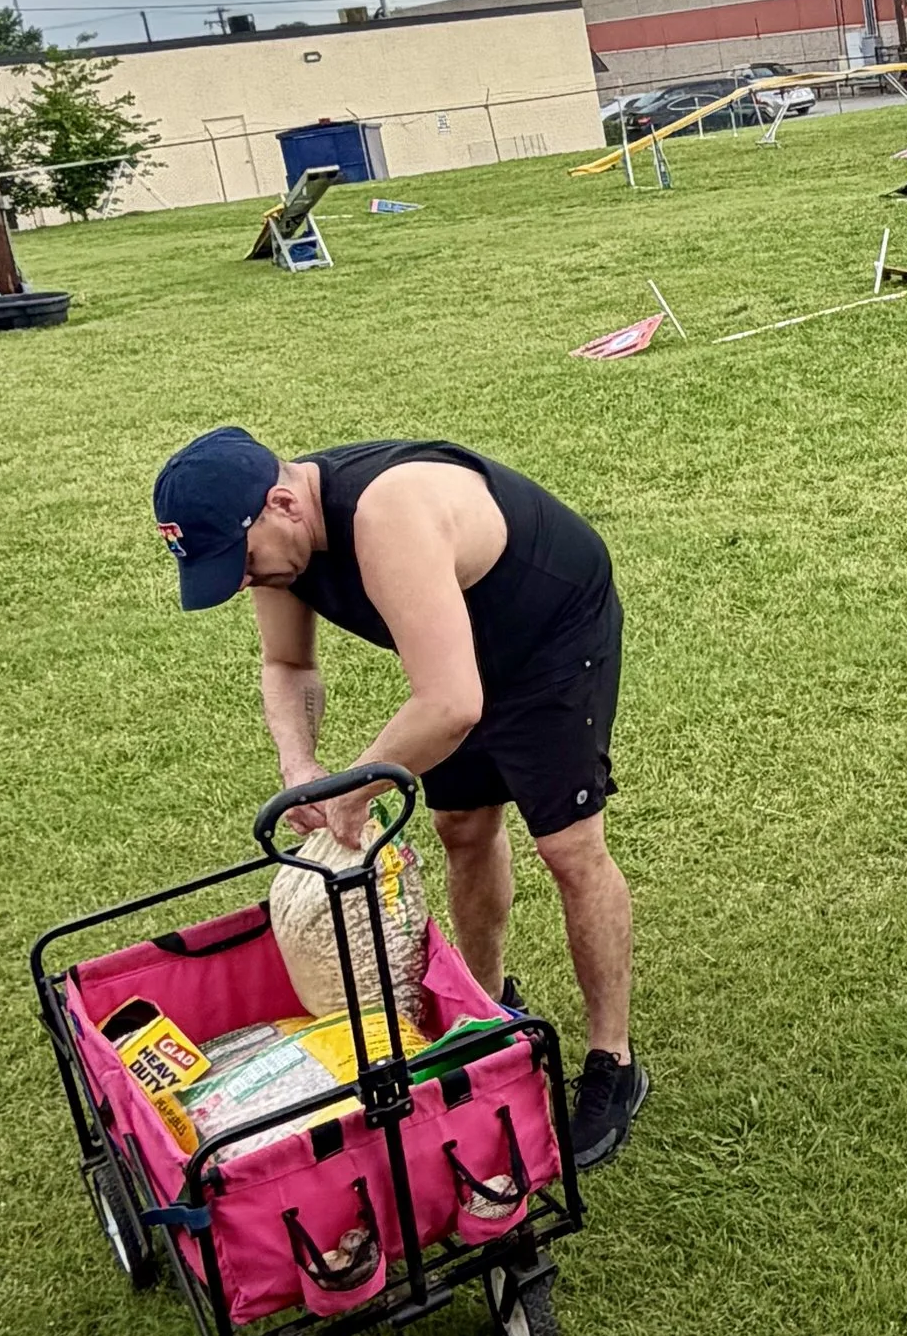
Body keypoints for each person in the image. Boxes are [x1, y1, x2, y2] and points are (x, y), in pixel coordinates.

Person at [149, 429, 648, 1167]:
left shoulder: (387, 514)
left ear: (282, 503)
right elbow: (286, 661)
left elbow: (450, 704)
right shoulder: (285, 548)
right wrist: (300, 765)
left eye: (244, 560)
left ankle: (615, 1060)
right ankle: (485, 1010)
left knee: (569, 848)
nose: (247, 580)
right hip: (461, 651)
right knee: (461, 826)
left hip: (551, 633)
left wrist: (353, 789)